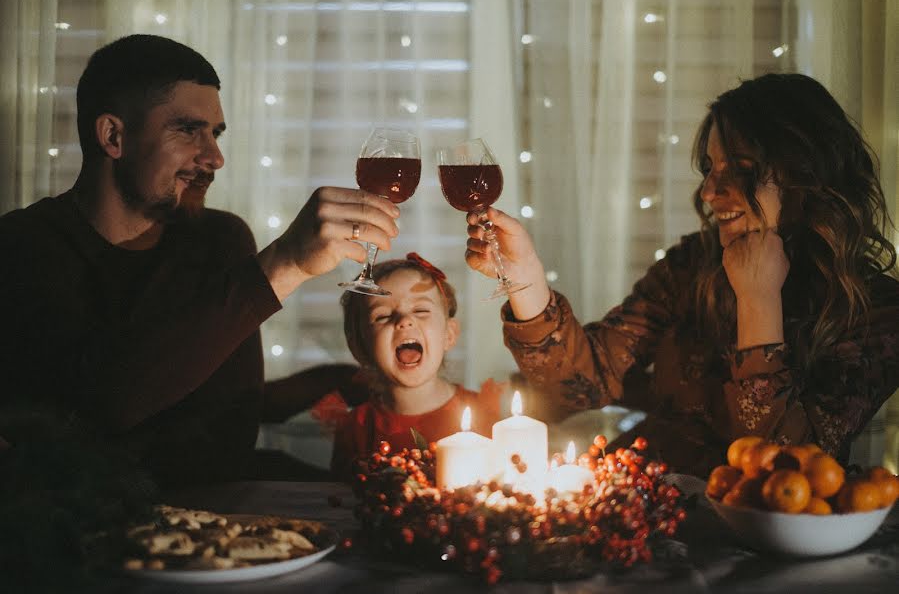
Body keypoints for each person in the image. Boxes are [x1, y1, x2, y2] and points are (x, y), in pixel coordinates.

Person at [0, 34, 401, 487]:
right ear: (114, 135)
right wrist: (283, 266)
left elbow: (216, 401)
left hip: (236, 517)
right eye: (188, 129)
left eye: (215, 133)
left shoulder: (221, 239)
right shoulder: (25, 246)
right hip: (101, 530)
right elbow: (98, 404)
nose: (215, 157)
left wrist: (349, 379)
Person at [464, 73, 899, 476]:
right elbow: (583, 387)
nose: (709, 192)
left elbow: (781, 469)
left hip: (780, 544)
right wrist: (525, 279)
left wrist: (758, 301)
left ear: (809, 177)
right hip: (657, 514)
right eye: (710, 168)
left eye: (742, 170)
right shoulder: (692, 264)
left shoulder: (876, 311)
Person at [314, 253, 504, 481]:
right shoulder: (356, 427)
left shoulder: (486, 415)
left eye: (421, 310)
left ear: (449, 334)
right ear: (359, 346)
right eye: (382, 316)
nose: (404, 320)